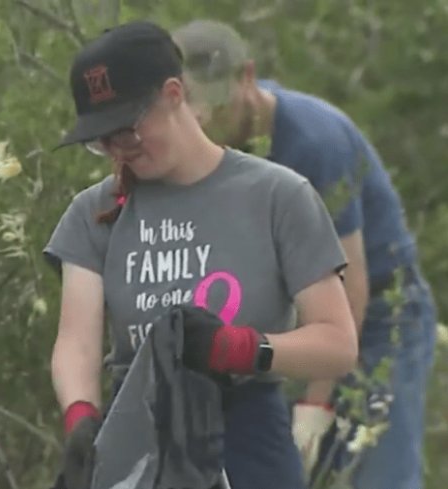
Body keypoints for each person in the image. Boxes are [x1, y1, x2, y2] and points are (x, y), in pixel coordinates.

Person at [42, 20, 358, 489]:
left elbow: (338, 345)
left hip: (248, 441)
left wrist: (240, 348)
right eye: (102, 140)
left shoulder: (277, 195)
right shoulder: (95, 212)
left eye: (126, 132)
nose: (118, 151)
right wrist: (81, 419)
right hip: (139, 445)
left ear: (173, 94)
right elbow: (77, 343)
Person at [171, 19, 439, 489]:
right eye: (192, 106)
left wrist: (315, 405)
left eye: (217, 104)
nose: (206, 119)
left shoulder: (314, 142)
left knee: (381, 476)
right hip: (294, 321)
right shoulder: (208, 150)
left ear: (247, 77)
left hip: (381, 314)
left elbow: (351, 287)